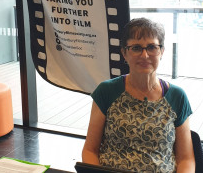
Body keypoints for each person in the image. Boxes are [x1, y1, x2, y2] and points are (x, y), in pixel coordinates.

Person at [82, 18, 195, 172]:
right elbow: (90, 151)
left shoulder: (177, 96)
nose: (145, 55)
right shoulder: (107, 91)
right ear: (124, 53)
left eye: (151, 47)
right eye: (136, 48)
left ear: (161, 51)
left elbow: (186, 159)